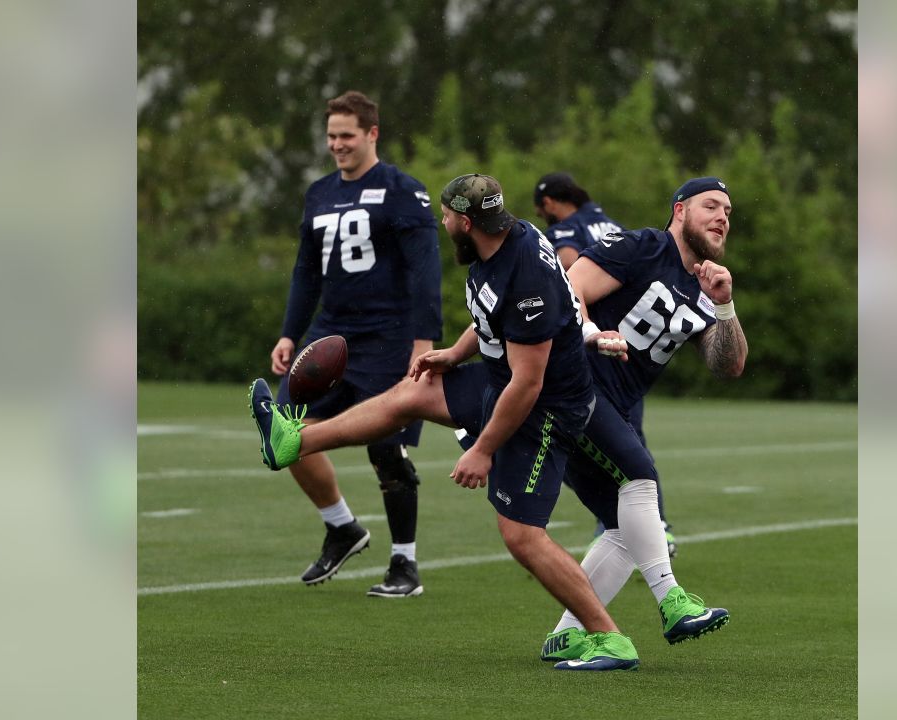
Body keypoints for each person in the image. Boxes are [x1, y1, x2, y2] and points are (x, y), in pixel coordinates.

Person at [251, 174, 640, 671]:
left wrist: (481, 450)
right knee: (411, 393)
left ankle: (610, 638)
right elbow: (488, 319)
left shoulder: (524, 277)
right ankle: (293, 441)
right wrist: (454, 355)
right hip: (502, 380)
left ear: (464, 220)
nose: (442, 222)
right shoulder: (500, 242)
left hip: (544, 409)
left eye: (447, 215)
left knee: (521, 535)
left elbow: (528, 382)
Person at [539, 177, 749, 662]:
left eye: (728, 211)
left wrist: (724, 305)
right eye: (710, 206)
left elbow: (728, 366)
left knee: (624, 528)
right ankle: (673, 601)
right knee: (641, 478)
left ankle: (568, 633)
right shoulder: (641, 246)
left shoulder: (703, 282)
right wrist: (592, 334)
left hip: (612, 406)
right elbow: (571, 288)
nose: (722, 216)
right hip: (574, 387)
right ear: (679, 210)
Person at [265, 90, 442, 598]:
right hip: (331, 333)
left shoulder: (401, 190)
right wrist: (288, 332)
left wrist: (423, 342)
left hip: (389, 336)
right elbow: (305, 271)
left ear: (372, 134)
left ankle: (404, 564)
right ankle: (341, 525)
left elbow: (424, 272)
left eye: (346, 135)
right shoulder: (319, 193)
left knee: (385, 450)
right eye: (331, 136)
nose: (337, 145)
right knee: (284, 432)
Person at [531, 172, 677, 558]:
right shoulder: (609, 221)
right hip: (632, 342)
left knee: (581, 443)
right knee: (633, 442)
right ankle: (655, 526)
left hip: (591, 348)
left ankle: (619, 525)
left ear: (548, 204)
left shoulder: (565, 229)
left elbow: (564, 278)